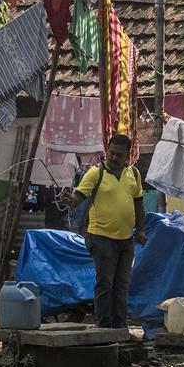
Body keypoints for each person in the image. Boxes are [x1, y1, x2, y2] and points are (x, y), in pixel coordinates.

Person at [61, 134, 146, 329]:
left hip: (126, 240)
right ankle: (105, 329)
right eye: (112, 153)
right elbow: (78, 196)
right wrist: (69, 200)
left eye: (119, 155)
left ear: (128, 155)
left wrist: (140, 230)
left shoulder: (134, 174)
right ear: (106, 152)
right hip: (101, 238)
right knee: (105, 285)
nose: (115, 158)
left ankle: (120, 329)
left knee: (122, 286)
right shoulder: (95, 173)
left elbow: (138, 204)